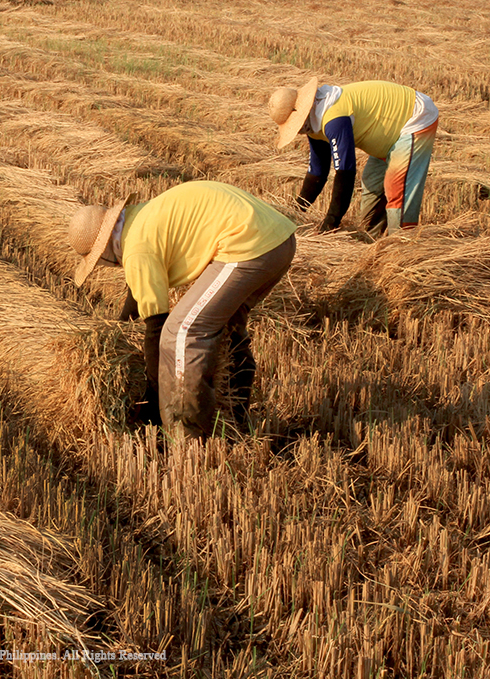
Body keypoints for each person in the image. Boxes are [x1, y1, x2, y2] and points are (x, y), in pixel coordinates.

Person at [68, 181, 297, 439]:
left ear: (104, 252)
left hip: (248, 246)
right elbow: (138, 290)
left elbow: (156, 328)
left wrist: (152, 401)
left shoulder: (136, 249)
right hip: (278, 238)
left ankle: (186, 435)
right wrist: (121, 330)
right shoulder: (140, 219)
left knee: (181, 332)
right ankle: (235, 415)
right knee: (227, 326)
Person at [268, 78, 439, 237]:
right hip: (388, 131)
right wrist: (296, 211)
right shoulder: (313, 123)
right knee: (372, 181)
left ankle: (402, 246)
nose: (296, 131)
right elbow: (318, 171)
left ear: (303, 114)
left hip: (413, 116)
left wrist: (331, 221)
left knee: (396, 186)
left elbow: (345, 171)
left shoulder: (334, 118)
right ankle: (370, 241)